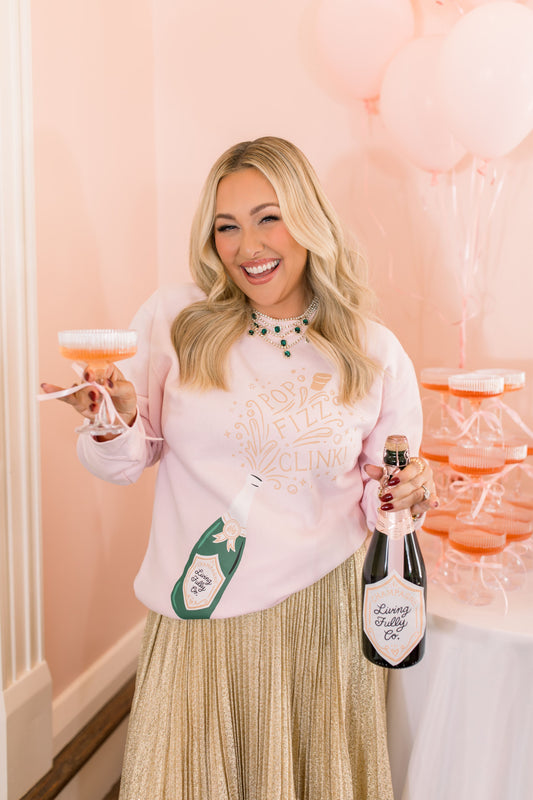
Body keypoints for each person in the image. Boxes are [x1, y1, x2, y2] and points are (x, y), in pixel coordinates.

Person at [42, 136, 438, 800]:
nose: (246, 245)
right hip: (200, 608)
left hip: (322, 616)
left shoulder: (372, 350)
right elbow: (120, 462)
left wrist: (408, 492)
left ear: (308, 219)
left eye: (267, 217)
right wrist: (113, 420)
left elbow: (382, 501)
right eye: (226, 226)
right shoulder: (178, 320)